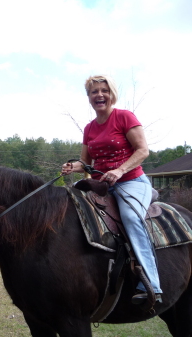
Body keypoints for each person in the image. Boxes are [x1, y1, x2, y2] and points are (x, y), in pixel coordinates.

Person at [61, 75, 162, 304]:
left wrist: (120, 170)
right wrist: (72, 167)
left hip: (132, 182)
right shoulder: (89, 128)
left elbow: (143, 150)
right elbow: (86, 163)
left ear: (111, 94)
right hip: (101, 184)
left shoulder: (124, 117)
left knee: (130, 217)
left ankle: (151, 283)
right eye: (94, 92)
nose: (99, 95)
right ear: (89, 97)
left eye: (104, 90)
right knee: (69, 204)